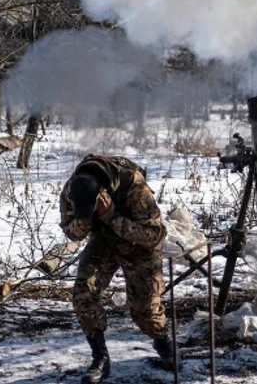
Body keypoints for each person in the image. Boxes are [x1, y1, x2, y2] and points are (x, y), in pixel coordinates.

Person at [60, 154, 178, 384]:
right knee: (84, 293)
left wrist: (112, 217)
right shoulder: (72, 190)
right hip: (104, 240)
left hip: (141, 246)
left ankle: (163, 342)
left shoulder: (133, 184)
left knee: (145, 310)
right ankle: (100, 357)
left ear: (103, 191)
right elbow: (71, 230)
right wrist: (84, 222)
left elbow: (154, 234)